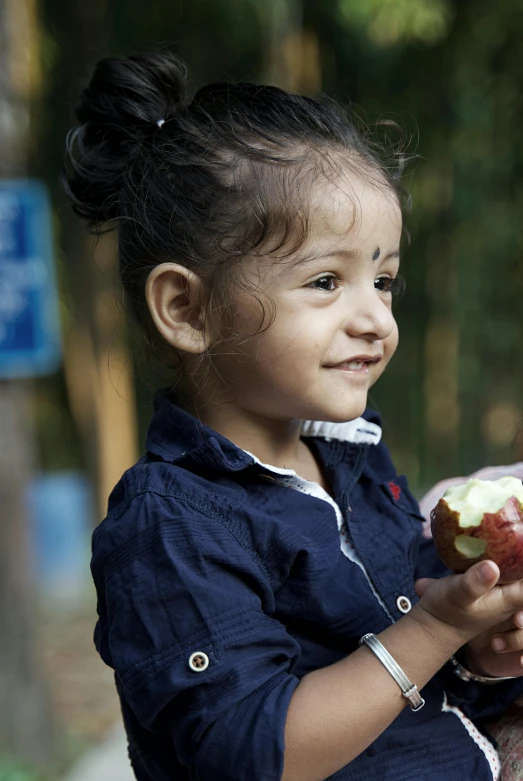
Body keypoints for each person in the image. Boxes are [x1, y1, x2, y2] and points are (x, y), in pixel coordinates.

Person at [64, 52, 523, 781]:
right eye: (325, 280)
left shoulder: (354, 461)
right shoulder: (171, 525)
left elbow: (410, 676)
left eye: (384, 279)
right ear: (185, 309)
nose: (374, 317)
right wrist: (434, 629)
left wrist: (479, 647)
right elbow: (255, 751)